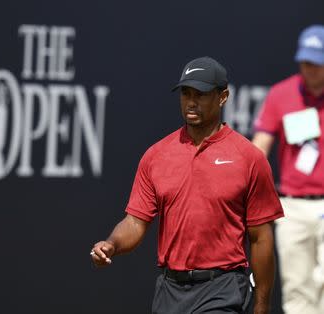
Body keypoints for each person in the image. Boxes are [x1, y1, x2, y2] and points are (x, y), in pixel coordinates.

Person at [90, 56, 284, 314]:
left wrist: (262, 304)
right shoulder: (156, 155)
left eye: (201, 94)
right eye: (185, 93)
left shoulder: (249, 158)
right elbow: (135, 222)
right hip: (169, 290)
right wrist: (111, 244)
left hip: (223, 289)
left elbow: (261, 238)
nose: (191, 102)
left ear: (222, 97)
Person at [252, 24, 324, 314]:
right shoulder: (281, 94)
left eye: (317, 63)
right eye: (305, 61)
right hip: (292, 206)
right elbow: (259, 149)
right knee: (297, 291)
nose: (310, 69)